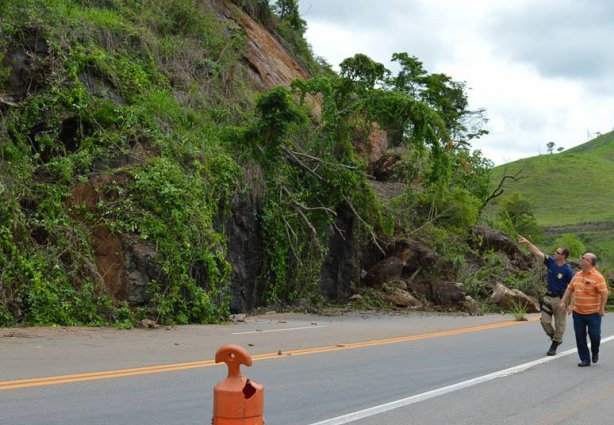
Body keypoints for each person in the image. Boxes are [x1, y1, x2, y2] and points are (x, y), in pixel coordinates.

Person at [518, 235, 574, 355]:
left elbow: (573, 288)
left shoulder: (568, 270)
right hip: (548, 297)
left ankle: (554, 345)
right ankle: (556, 339)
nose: (554, 252)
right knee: (544, 321)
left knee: (560, 324)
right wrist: (528, 243)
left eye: (557, 252)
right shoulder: (551, 262)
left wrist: (571, 304)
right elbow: (538, 253)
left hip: (561, 299)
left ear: (563, 256)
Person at [559, 253, 608, 367]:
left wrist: (601, 309)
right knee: (580, 336)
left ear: (589, 262)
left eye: (583, 258)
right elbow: (570, 289)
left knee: (595, 336)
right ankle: (585, 359)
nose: (581, 259)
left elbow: (604, 294)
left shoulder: (598, 277)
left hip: (594, 313)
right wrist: (563, 301)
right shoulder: (577, 275)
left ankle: (595, 352)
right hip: (578, 312)